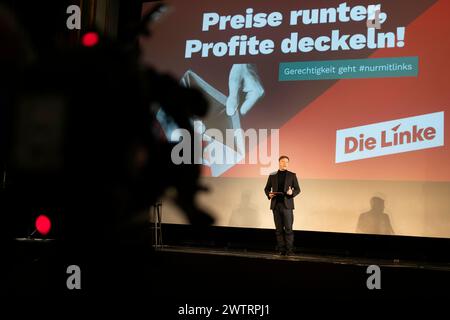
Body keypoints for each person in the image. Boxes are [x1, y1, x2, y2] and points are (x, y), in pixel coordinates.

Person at [264, 155, 301, 255]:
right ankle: (281, 250)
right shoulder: (272, 175)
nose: (285, 164)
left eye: (287, 162)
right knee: (279, 230)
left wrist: (291, 193)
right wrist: (269, 194)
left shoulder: (292, 175)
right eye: (283, 162)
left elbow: (298, 189)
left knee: (288, 229)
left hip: (287, 206)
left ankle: (289, 250)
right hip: (276, 205)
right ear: (279, 162)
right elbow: (266, 188)